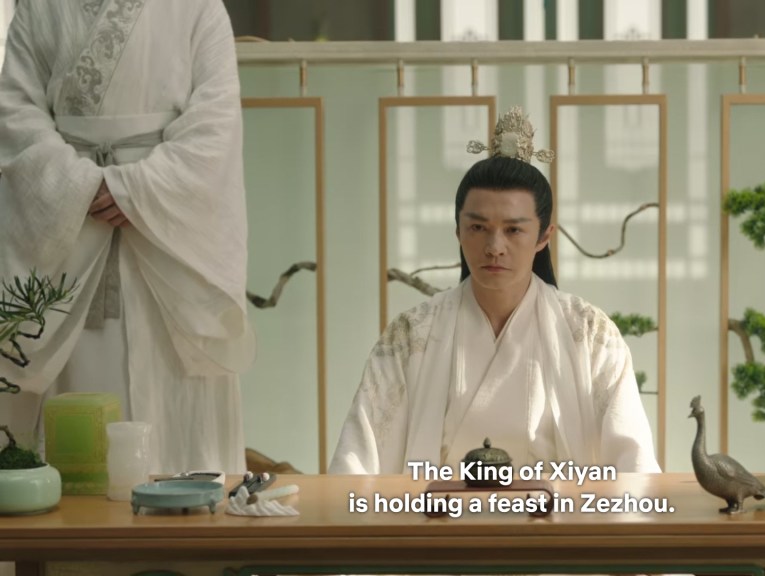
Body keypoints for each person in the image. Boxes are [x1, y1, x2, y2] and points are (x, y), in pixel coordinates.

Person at [330, 107, 659, 475]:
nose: (494, 247)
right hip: (437, 510)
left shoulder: (588, 332)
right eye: (478, 228)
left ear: (544, 236)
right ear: (458, 230)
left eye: (514, 230)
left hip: (555, 512)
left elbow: (634, 463)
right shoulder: (413, 334)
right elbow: (356, 462)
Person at [0, 0, 254, 474]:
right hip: (71, 233)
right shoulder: (38, 6)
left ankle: (188, 510)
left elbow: (215, 126)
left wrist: (135, 190)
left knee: (174, 398)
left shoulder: (200, 7)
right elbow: (15, 113)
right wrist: (77, 186)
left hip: (168, 244)